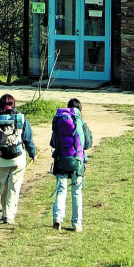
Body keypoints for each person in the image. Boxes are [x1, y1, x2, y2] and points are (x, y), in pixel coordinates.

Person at [0, 93, 35, 225]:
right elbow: (27, 139)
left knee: (3, 186)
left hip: (0, 158)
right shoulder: (19, 118)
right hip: (18, 158)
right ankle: (10, 215)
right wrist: (32, 153)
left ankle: (4, 213)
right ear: (14, 104)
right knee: (14, 187)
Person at [50, 97, 93, 233]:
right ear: (80, 110)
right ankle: (76, 224)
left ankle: (58, 218)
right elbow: (87, 144)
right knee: (76, 192)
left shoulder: (60, 120)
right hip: (77, 161)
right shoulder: (81, 123)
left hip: (61, 159)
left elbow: (53, 142)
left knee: (61, 190)